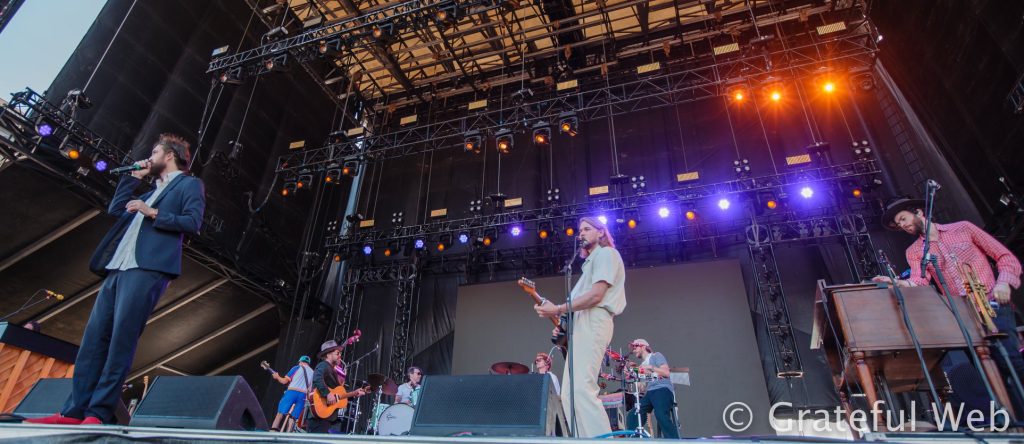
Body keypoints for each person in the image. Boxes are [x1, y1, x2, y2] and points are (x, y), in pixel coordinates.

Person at [27, 134, 205, 426]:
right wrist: (132, 180)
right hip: (118, 267)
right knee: (93, 341)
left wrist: (152, 213)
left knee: (121, 340)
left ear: (170, 156)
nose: (149, 157)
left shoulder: (189, 185)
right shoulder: (149, 192)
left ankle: (97, 413)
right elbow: (116, 209)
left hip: (147, 268)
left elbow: (192, 222)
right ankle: (73, 411)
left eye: (154, 152)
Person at [871, 197, 1024, 408]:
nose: (903, 225)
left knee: (1011, 360)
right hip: (964, 315)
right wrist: (896, 283)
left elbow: (1004, 256)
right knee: (988, 370)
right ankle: (1016, 418)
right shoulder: (914, 251)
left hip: (992, 302)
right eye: (899, 224)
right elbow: (919, 281)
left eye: (903, 219)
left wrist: (1004, 283)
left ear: (918, 212)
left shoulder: (963, 228)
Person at [535, 216, 626, 438]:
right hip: (583, 324)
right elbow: (577, 307)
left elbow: (596, 296)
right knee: (569, 394)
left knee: (582, 390)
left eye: (586, 229)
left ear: (601, 232)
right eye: (580, 230)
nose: (581, 233)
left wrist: (557, 308)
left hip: (595, 320)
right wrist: (563, 327)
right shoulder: (588, 267)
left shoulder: (606, 254)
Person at [625, 339, 679, 439]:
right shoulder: (641, 366)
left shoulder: (656, 356)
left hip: (662, 389)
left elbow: (666, 373)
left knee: (660, 415)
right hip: (650, 393)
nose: (633, 350)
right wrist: (631, 373)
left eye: (635, 347)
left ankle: (673, 440)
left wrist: (650, 367)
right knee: (633, 415)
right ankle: (635, 439)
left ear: (643, 346)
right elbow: (642, 387)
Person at [308, 340, 365, 433]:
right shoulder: (323, 365)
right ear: (328, 355)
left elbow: (338, 394)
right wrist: (327, 394)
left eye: (340, 354)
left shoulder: (332, 370)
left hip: (326, 417)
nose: (340, 356)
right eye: (337, 353)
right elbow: (317, 379)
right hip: (319, 416)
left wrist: (354, 393)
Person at [270, 356, 314, 432]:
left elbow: (284, 381)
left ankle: (273, 431)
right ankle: (289, 434)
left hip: (292, 392)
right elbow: (310, 390)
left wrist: (277, 377)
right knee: (293, 417)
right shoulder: (312, 372)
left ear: (300, 362)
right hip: (303, 396)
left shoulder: (296, 368)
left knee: (280, 413)